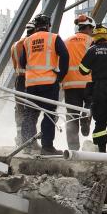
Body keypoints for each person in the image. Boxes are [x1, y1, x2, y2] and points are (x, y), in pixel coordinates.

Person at [18, 13, 70, 155]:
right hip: (49, 83)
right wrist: (60, 75)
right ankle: (47, 148)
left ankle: (26, 147)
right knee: (48, 114)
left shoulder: (27, 41)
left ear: (35, 27)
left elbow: (22, 62)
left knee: (30, 114)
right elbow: (65, 55)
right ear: (49, 26)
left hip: (31, 84)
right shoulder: (54, 38)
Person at [61, 14, 95, 151]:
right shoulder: (91, 41)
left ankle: (73, 148)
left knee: (71, 116)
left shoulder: (65, 41)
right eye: (92, 29)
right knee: (90, 107)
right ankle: (86, 118)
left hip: (70, 84)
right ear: (89, 27)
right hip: (88, 82)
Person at [10, 18, 36, 146]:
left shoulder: (15, 45)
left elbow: (15, 64)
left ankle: (19, 137)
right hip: (32, 80)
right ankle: (30, 139)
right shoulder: (32, 43)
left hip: (19, 80)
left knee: (19, 109)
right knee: (31, 109)